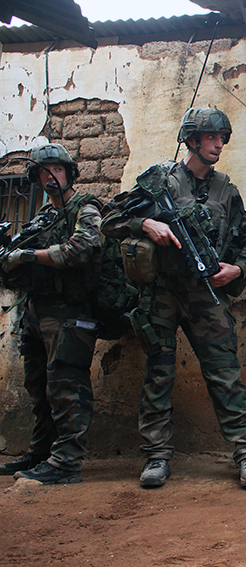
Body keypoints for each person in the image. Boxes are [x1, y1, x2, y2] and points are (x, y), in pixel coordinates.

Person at [101, 106, 246, 489]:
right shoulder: (160, 181)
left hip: (206, 294)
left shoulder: (226, 190)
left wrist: (237, 270)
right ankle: (156, 456)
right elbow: (108, 219)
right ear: (191, 139)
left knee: (225, 374)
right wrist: (145, 223)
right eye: (211, 137)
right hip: (160, 292)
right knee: (158, 372)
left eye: (222, 137)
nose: (219, 144)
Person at [0, 143, 103, 484]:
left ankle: (67, 462)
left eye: (57, 170)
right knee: (37, 384)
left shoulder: (84, 207)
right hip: (36, 309)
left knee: (66, 384)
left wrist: (29, 255)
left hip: (69, 312)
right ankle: (41, 452)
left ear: (69, 172)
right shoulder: (44, 215)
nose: (50, 177)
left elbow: (82, 249)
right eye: (44, 172)